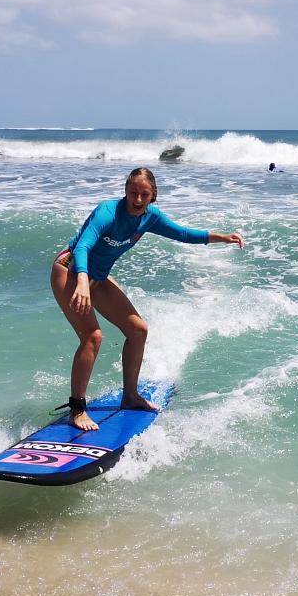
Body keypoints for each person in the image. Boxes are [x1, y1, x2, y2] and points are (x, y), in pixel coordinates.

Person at [51, 167, 244, 431]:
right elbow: (83, 246)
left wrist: (220, 237)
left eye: (144, 194)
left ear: (153, 196)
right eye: (133, 193)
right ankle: (77, 409)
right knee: (92, 336)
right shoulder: (107, 212)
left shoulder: (149, 217)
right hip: (70, 270)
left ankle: (129, 396)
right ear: (125, 192)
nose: (138, 200)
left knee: (138, 330)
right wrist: (82, 280)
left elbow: (183, 233)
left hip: (96, 277)